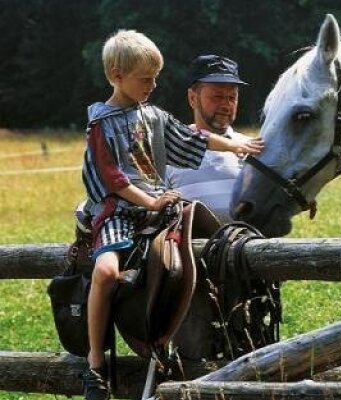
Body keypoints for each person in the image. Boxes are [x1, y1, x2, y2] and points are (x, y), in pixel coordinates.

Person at [80, 30, 263, 400]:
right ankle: (95, 363)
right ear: (117, 74)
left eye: (155, 78)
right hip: (122, 210)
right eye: (145, 79)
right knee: (106, 272)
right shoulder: (101, 124)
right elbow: (112, 179)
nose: (152, 85)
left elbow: (192, 138)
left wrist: (237, 143)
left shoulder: (154, 116)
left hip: (157, 210)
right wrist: (150, 202)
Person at [166, 54, 249, 221]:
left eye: (232, 97)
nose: (226, 105)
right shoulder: (170, 151)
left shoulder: (251, 149)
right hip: (189, 246)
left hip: (248, 245)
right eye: (217, 97)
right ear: (192, 98)